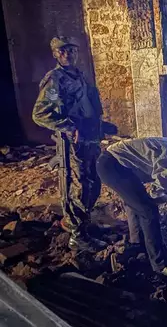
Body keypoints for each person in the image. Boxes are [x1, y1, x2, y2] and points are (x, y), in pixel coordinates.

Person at [32, 36, 108, 252]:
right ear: (55, 54)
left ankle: (82, 224)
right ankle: (77, 236)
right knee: (78, 186)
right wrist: (68, 127)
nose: (67, 54)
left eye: (71, 50)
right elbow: (39, 114)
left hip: (89, 139)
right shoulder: (55, 79)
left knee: (94, 183)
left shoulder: (78, 75)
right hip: (72, 143)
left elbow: (85, 105)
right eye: (62, 51)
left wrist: (101, 126)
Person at [96, 137, 167, 277]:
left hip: (116, 163)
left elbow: (162, 189)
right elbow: (155, 197)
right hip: (113, 166)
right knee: (148, 211)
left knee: (136, 203)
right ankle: (161, 265)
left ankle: (136, 246)